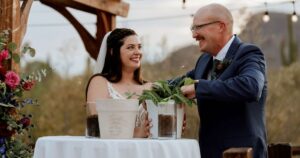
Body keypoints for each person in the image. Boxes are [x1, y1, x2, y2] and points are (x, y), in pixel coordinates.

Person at [179, 3, 268, 158]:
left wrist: (198, 88)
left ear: (220, 26)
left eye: (198, 27)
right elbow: (180, 83)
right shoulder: (204, 61)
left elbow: (251, 87)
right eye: (193, 29)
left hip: (243, 153)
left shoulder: (249, 54)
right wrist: (148, 88)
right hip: (208, 153)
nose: (194, 35)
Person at [86, 28, 151, 138]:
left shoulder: (150, 87)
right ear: (113, 51)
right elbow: (96, 126)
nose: (138, 52)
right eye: (130, 47)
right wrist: (135, 133)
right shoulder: (99, 82)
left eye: (139, 47)